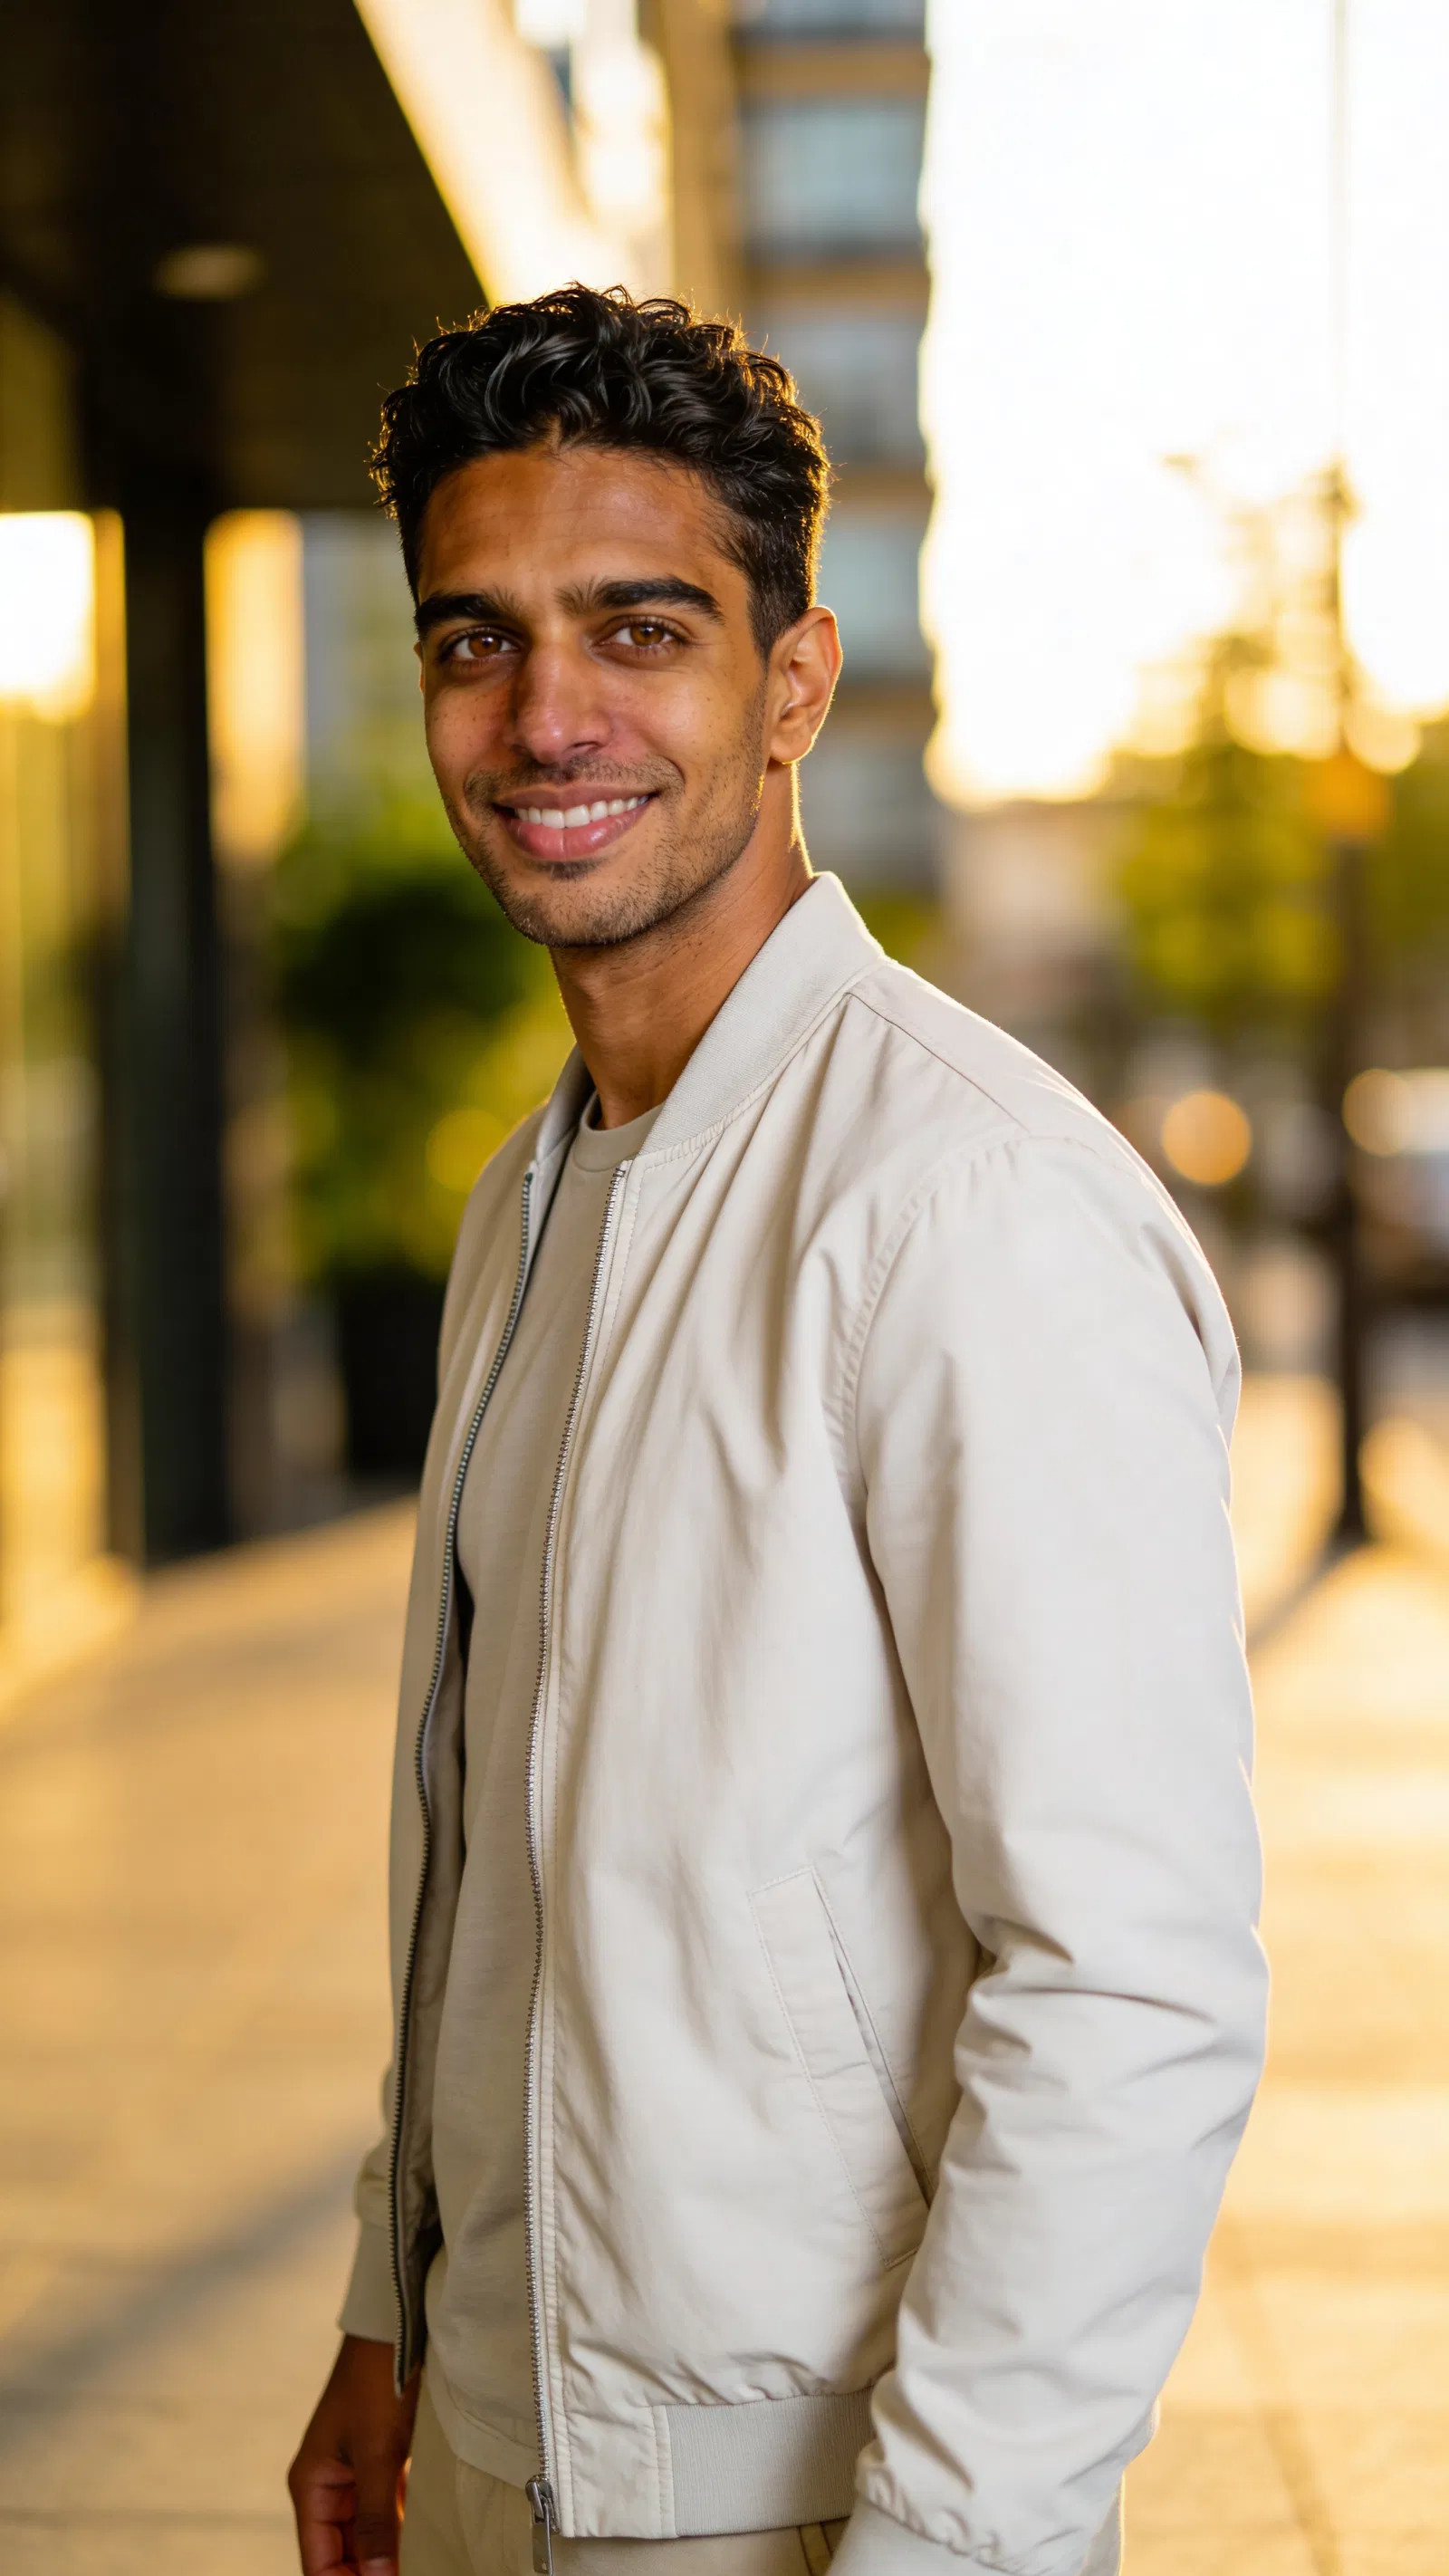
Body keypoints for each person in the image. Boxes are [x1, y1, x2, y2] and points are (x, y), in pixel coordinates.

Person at [288, 285, 1266, 2576]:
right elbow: (493, 1858)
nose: (547, 716)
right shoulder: (528, 1196)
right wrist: (386, 2309)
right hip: (496, 2452)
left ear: (792, 681)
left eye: (639, 629)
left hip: (797, 2512)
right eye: (475, 640)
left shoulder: (969, 1206)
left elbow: (1123, 1986)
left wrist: (942, 2550)